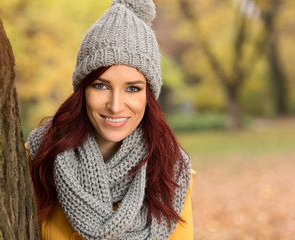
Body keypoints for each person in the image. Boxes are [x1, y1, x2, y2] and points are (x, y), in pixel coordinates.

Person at [25, 0, 194, 239]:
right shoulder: (40, 158)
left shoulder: (171, 171)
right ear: (82, 90)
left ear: (149, 96)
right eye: (101, 85)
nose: (115, 106)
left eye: (132, 89)